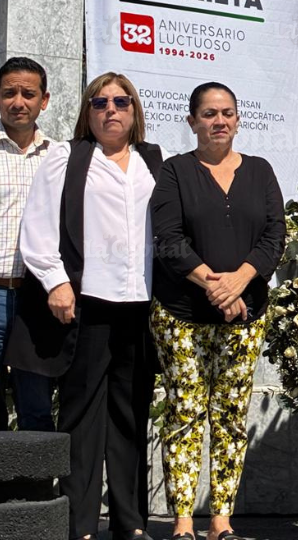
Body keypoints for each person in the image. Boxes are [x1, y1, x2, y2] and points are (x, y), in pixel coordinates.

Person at [7, 72, 164, 540]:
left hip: (138, 305)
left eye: (121, 101)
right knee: (81, 416)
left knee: (131, 415)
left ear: (134, 110)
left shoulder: (153, 160)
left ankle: (130, 523)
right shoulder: (68, 157)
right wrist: (56, 282)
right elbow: (37, 227)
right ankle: (81, 525)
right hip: (86, 304)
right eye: (100, 102)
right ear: (88, 112)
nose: (111, 109)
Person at [150, 82, 286, 540]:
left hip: (244, 316)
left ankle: (221, 522)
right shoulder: (174, 171)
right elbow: (168, 239)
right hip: (181, 315)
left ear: (238, 119)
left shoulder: (261, 171)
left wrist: (239, 282)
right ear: (192, 121)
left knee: (229, 417)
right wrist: (216, 286)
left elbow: (274, 237)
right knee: (186, 413)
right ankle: (183, 524)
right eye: (209, 114)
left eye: (227, 112)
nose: (219, 121)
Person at [0, 57, 55, 431]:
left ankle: (37, 473)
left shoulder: (59, 156)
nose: (18, 102)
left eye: (28, 94)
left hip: (37, 297)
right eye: (9, 93)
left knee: (36, 407)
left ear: (44, 100)